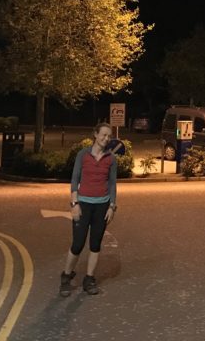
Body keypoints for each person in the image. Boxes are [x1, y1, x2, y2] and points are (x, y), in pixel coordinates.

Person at [61, 123, 118, 296]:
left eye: (109, 136)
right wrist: (74, 204)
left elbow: (112, 184)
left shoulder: (111, 158)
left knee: (95, 244)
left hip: (102, 206)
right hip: (83, 205)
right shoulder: (83, 155)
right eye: (103, 135)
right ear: (95, 134)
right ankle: (66, 277)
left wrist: (112, 206)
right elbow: (74, 180)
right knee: (77, 244)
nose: (106, 138)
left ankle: (89, 278)